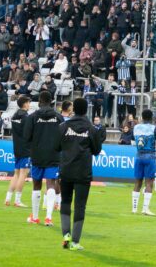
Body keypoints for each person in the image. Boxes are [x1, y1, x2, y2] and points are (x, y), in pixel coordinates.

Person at [57, 97, 106, 250]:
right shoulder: (91, 128)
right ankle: (75, 242)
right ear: (86, 110)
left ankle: (66, 234)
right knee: (80, 206)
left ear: (73, 109)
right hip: (83, 171)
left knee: (65, 202)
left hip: (66, 169)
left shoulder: (63, 126)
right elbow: (97, 150)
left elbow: (57, 146)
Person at [23, 90, 62, 226]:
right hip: (53, 155)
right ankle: (49, 218)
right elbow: (63, 136)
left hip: (37, 155)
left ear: (39, 101)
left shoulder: (32, 117)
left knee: (36, 185)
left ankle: (35, 216)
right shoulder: (58, 117)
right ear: (51, 101)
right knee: (51, 183)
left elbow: (26, 137)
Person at [131, 108, 156, 216]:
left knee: (137, 182)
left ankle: (134, 209)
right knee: (149, 183)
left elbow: (132, 141)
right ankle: (145, 209)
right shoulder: (154, 128)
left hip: (139, 156)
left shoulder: (135, 127)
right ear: (152, 117)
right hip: (150, 157)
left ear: (142, 117)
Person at [4, 95, 32, 208]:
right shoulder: (26, 117)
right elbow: (29, 133)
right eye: (29, 102)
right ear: (25, 104)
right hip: (25, 148)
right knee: (23, 174)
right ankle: (17, 200)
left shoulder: (15, 115)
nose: (29, 105)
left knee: (16, 174)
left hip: (17, 147)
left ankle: (8, 198)